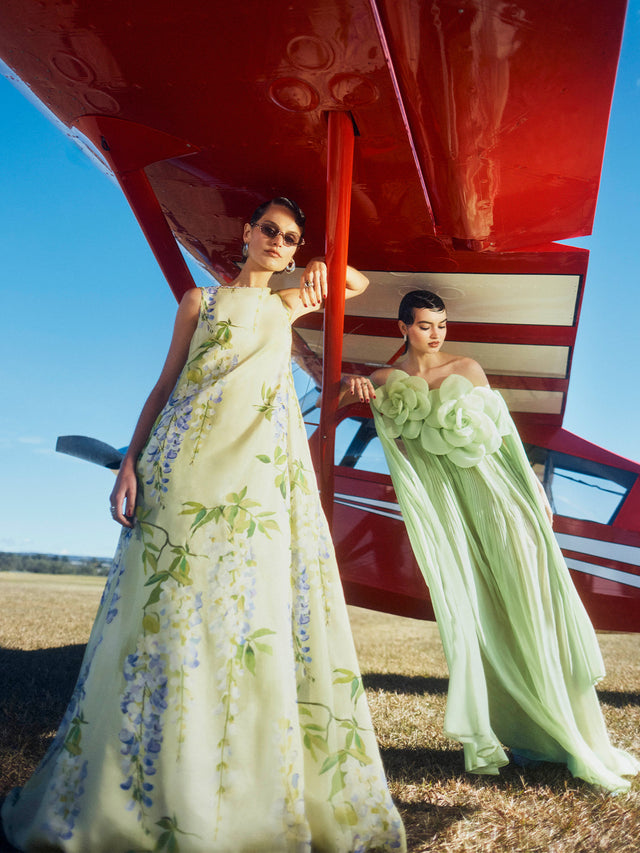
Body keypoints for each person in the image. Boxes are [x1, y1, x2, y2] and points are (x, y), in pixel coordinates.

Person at [2, 198, 406, 852]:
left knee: (242, 617)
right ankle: (149, 783)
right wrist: (129, 462)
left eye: (289, 238)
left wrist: (318, 264)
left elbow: (353, 283)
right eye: (268, 230)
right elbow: (165, 386)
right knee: (171, 617)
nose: (277, 242)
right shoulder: (200, 302)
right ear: (245, 233)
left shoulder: (287, 304)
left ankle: (228, 784)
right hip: (180, 473)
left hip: (252, 490)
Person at [343, 289, 639, 793]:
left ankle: (574, 734)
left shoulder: (468, 368)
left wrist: (536, 495)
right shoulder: (386, 381)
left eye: (441, 324)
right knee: (481, 618)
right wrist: (348, 384)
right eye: (424, 325)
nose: (435, 334)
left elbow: (505, 440)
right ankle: (529, 735)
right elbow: (344, 405)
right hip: (452, 514)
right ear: (402, 328)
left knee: (532, 610)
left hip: (502, 503)